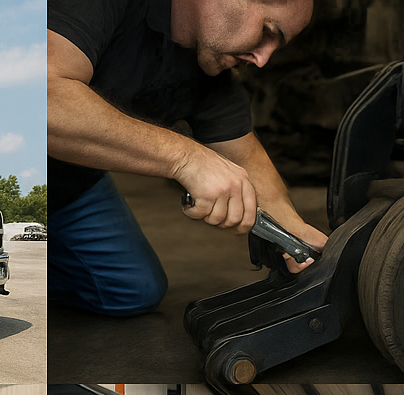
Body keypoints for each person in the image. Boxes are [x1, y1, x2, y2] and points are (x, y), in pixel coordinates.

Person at [48, 0, 328, 315]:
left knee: (133, 290)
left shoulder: (206, 65)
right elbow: (43, 98)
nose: (263, 59)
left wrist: (295, 231)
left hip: (74, 184)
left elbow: (244, 153)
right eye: (267, 30)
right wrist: (186, 158)